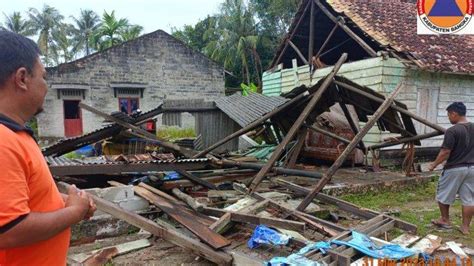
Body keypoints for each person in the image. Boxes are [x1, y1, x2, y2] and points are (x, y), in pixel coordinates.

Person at [0, 31, 96, 265]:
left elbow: (25, 200)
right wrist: (73, 213)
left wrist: (67, 202)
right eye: (43, 77)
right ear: (22, 78)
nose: (46, 86)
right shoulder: (3, 141)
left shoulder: (17, 136)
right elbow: (8, 231)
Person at [429, 102, 474, 235]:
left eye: (449, 115)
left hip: (455, 168)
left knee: (443, 194)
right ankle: (465, 227)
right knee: (469, 198)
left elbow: (445, 152)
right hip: (472, 168)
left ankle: (445, 220)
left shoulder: (452, 131)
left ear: (454, 113)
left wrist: (433, 164)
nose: (449, 118)